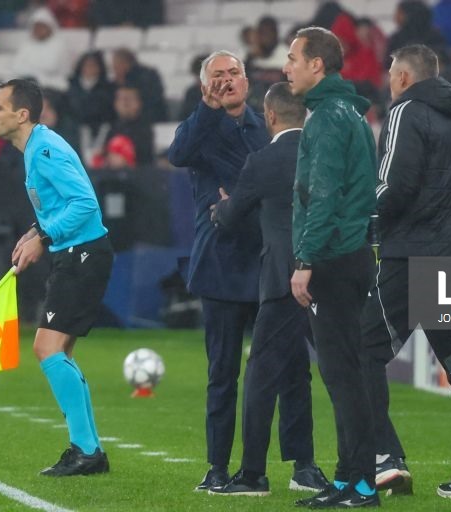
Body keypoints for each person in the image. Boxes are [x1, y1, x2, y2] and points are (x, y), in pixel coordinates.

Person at [361, 44, 451, 499]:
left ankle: (385, 456)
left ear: (403, 76)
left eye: (391, 74)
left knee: (362, 351)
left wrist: (358, 218)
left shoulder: (404, 112)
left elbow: (394, 185)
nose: (389, 82)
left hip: (411, 256)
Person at [208, 82, 328, 497]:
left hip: (282, 279)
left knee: (260, 374)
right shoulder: (324, 154)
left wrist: (220, 207)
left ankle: (252, 474)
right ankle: (309, 466)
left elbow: (232, 214)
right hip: (327, 277)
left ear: (270, 116)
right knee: (312, 371)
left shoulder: (262, 160)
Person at [0, 78, 113, 476]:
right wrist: (35, 230)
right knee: (60, 353)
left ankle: (86, 450)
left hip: (82, 255)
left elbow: (85, 203)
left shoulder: (43, 150)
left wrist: (43, 237)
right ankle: (89, 450)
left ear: (22, 114)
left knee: (46, 348)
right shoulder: (37, 147)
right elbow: (61, 202)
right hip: (77, 254)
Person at [283, 26, 379, 508]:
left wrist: (305, 259)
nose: (287, 67)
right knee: (347, 373)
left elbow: (322, 196)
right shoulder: (351, 114)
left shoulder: (325, 118)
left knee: (343, 376)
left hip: (333, 257)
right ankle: (347, 478)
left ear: (316, 64)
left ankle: (360, 483)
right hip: (353, 252)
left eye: (293, 58)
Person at [167, 50, 270, 492]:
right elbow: (177, 154)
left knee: (288, 373)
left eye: (233, 73)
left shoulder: (267, 125)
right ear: (204, 85)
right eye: (217, 76)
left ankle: (300, 465)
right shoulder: (199, 127)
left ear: (246, 80)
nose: (226, 81)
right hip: (222, 264)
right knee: (223, 374)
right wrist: (207, 108)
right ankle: (217, 466)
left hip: (268, 261)